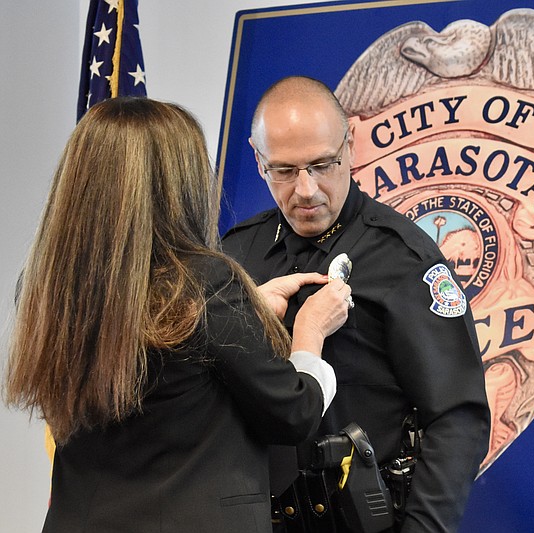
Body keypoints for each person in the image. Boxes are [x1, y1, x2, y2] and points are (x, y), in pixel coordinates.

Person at [4, 97, 352, 533]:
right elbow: (293, 414)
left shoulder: (48, 287)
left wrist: (249, 311)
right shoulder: (205, 281)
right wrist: (309, 333)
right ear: (177, 184)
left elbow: (152, 345)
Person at [222, 76, 490, 533]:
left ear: (351, 145)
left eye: (322, 164)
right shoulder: (237, 255)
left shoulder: (404, 258)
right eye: (284, 171)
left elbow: (457, 418)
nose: (305, 190)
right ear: (257, 159)